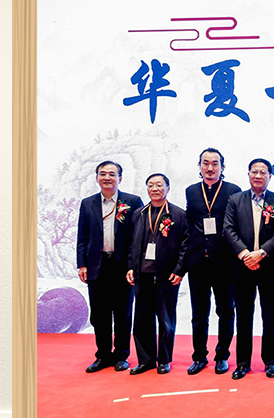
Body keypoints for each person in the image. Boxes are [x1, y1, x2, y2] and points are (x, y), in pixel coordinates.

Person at [76, 160, 143, 373]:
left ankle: (121, 355)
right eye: (103, 174)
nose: (107, 178)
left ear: (120, 178)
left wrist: (133, 265)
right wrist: (82, 264)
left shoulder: (132, 201)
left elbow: (138, 237)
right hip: (97, 266)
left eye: (112, 174)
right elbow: (82, 236)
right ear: (97, 178)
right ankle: (103, 356)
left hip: (123, 267)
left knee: (123, 312)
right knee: (99, 314)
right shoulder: (88, 203)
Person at [223, 158, 274, 380]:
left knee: (271, 317)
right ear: (248, 174)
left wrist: (261, 253)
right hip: (242, 267)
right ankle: (242, 363)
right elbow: (228, 229)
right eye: (254, 172)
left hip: (270, 266)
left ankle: (270, 361)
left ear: (270, 176)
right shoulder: (235, 200)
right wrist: (244, 254)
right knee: (243, 317)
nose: (258, 176)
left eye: (263, 172)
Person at [184, 148, 242, 376]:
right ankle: (199, 357)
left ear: (222, 167)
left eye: (215, 163)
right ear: (199, 166)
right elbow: (189, 225)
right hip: (198, 261)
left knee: (225, 311)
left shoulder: (233, 191)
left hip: (224, 261)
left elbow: (236, 225)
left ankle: (222, 356)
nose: (210, 168)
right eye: (205, 163)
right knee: (199, 314)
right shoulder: (191, 191)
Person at [126, 173, 190, 374]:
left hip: (166, 277)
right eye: (151, 185)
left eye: (159, 185)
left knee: (165, 321)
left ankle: (164, 360)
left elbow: (186, 246)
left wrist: (179, 270)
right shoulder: (138, 214)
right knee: (141, 321)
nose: (155, 189)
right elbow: (131, 244)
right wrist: (130, 267)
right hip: (142, 275)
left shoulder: (178, 215)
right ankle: (145, 360)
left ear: (168, 188)